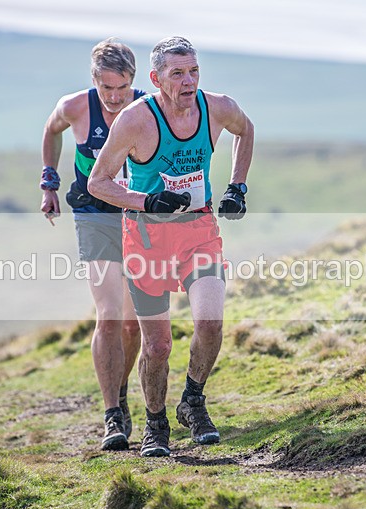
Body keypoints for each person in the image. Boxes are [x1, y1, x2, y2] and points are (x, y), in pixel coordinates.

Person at [88, 36, 254, 457]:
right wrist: (148, 201)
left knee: (211, 323)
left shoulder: (216, 107)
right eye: (177, 73)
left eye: (193, 71)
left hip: (199, 232)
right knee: (158, 347)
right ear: (156, 78)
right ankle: (155, 423)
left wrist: (238, 186)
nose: (188, 81)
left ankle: (193, 401)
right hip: (146, 241)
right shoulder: (134, 120)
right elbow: (99, 182)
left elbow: (245, 129)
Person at [40, 38, 144, 451]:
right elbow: (50, 131)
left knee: (134, 323)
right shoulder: (76, 107)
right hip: (94, 215)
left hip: (138, 217)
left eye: (122, 88)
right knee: (109, 314)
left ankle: (120, 394)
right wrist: (49, 180)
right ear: (94, 81)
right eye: (107, 89)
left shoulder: (148, 108)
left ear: (134, 81)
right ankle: (112, 416)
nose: (116, 98)